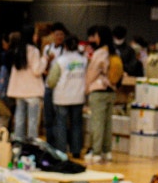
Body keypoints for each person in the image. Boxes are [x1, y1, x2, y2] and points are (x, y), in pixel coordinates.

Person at [47, 36, 86, 157]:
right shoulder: (83, 60)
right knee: (76, 124)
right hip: (78, 96)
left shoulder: (60, 61)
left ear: (65, 46)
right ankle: (76, 151)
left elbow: (51, 81)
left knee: (61, 124)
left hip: (62, 97)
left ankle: (61, 151)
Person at [85, 25, 116, 164]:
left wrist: (86, 87)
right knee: (108, 123)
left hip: (98, 91)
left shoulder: (99, 53)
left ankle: (96, 152)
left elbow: (92, 72)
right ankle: (107, 151)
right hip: (111, 91)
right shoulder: (113, 52)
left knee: (97, 123)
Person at [7, 27, 45, 141]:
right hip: (32, 91)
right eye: (35, 34)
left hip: (19, 91)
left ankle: (18, 145)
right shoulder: (34, 51)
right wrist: (45, 59)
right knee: (33, 122)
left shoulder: (17, 50)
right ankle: (31, 147)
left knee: (19, 120)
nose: (36, 37)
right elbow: (37, 70)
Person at [41, 22, 67, 140]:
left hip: (61, 86)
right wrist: (48, 60)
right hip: (49, 84)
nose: (59, 37)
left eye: (61, 35)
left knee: (59, 116)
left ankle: (59, 141)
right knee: (48, 115)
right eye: (57, 34)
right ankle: (49, 139)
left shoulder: (66, 50)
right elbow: (43, 69)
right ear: (53, 35)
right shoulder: (48, 48)